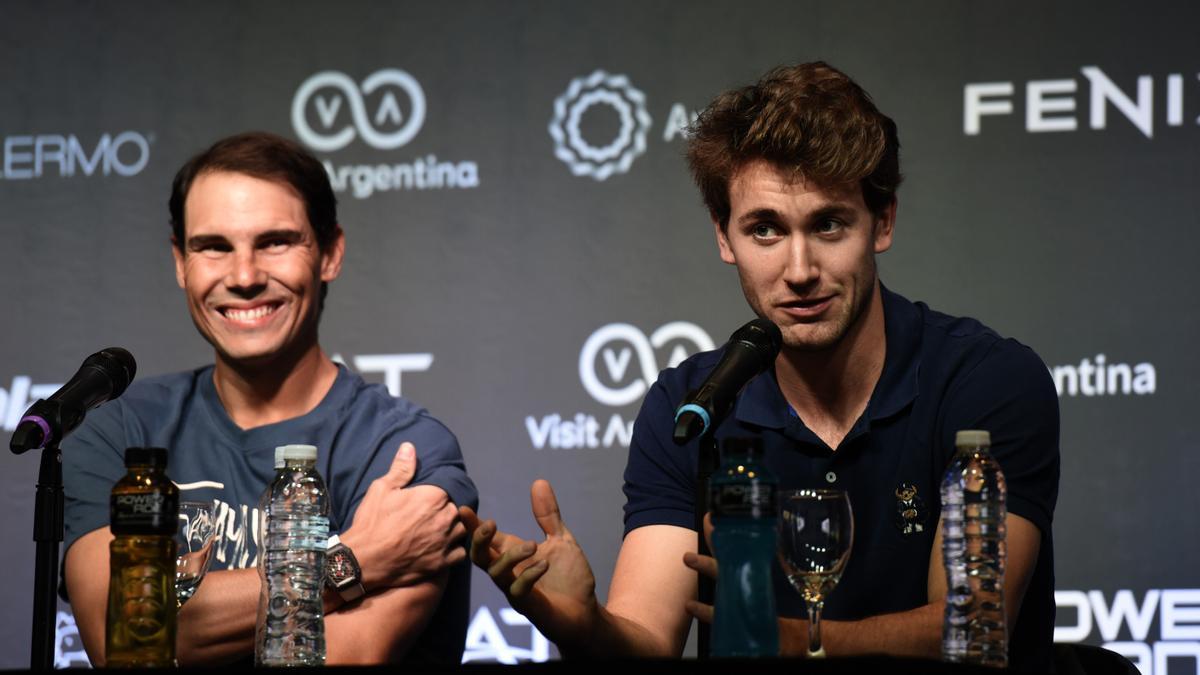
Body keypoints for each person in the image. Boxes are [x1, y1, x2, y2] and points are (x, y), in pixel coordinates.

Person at [462, 62, 1059, 671]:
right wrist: (586, 626)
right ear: (725, 238)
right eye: (765, 230)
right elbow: (647, 642)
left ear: (882, 221)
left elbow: (973, 626)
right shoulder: (690, 407)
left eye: (828, 224)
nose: (799, 270)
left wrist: (798, 641)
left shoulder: (986, 380)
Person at [62, 131, 477, 666]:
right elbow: (119, 635)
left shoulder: (406, 451)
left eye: (275, 242)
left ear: (330, 253)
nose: (244, 277)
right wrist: (355, 558)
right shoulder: (120, 435)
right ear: (180, 262)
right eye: (213, 247)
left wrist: (187, 615)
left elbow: (350, 656)